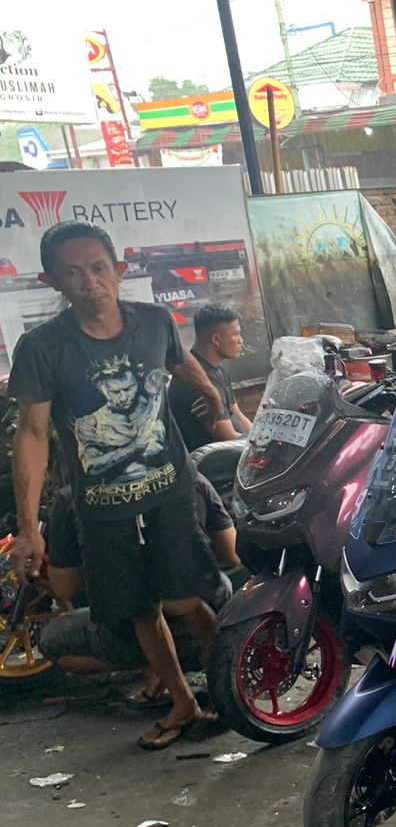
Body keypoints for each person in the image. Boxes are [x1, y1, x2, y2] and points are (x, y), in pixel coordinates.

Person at [8, 221, 229, 749]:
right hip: (101, 506)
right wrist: (27, 529)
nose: (90, 282)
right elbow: (33, 433)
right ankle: (182, 700)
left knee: (184, 601)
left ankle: (230, 681)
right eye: (73, 273)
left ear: (119, 270)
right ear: (53, 281)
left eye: (99, 268)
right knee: (138, 609)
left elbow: (181, 362)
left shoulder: (153, 321)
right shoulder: (42, 347)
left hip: (171, 493)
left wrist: (213, 395)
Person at [40, 475, 236, 703]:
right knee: (216, 583)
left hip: (142, 621)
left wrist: (45, 571)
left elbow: (66, 589)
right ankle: (203, 668)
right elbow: (230, 554)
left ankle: (160, 666)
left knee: (51, 641)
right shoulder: (188, 474)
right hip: (208, 608)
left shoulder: (72, 497)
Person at [171, 302, 252, 451]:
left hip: (236, 450)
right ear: (216, 339)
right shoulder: (197, 380)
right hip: (213, 465)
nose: (241, 340)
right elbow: (227, 438)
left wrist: (261, 437)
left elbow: (239, 415)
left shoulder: (219, 371)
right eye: (235, 334)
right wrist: (258, 444)